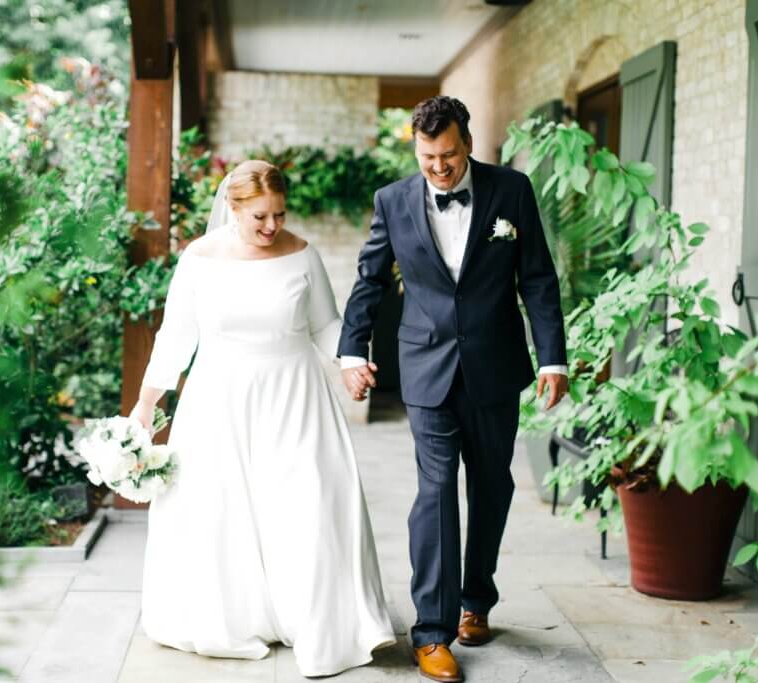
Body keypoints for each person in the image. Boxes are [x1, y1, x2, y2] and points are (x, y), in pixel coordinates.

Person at [130, 160, 395, 678]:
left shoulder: (302, 255)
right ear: (232, 208)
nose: (272, 227)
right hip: (218, 400)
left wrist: (351, 363)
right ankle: (236, 615)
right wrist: (146, 403)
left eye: (278, 214)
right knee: (221, 509)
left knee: (309, 503)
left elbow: (325, 324)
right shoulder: (199, 260)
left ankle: (312, 615)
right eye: (259, 218)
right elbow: (176, 337)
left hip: (295, 395)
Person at [338, 96, 568, 683]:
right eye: (426, 156)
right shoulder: (392, 201)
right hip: (426, 366)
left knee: (491, 486)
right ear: (414, 148)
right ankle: (433, 631)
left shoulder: (511, 190)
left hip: (495, 365)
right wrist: (350, 351)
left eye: (447, 155)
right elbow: (369, 280)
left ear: (468, 142)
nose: (438, 167)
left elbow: (537, 277)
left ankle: (476, 602)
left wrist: (553, 360)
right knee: (436, 492)